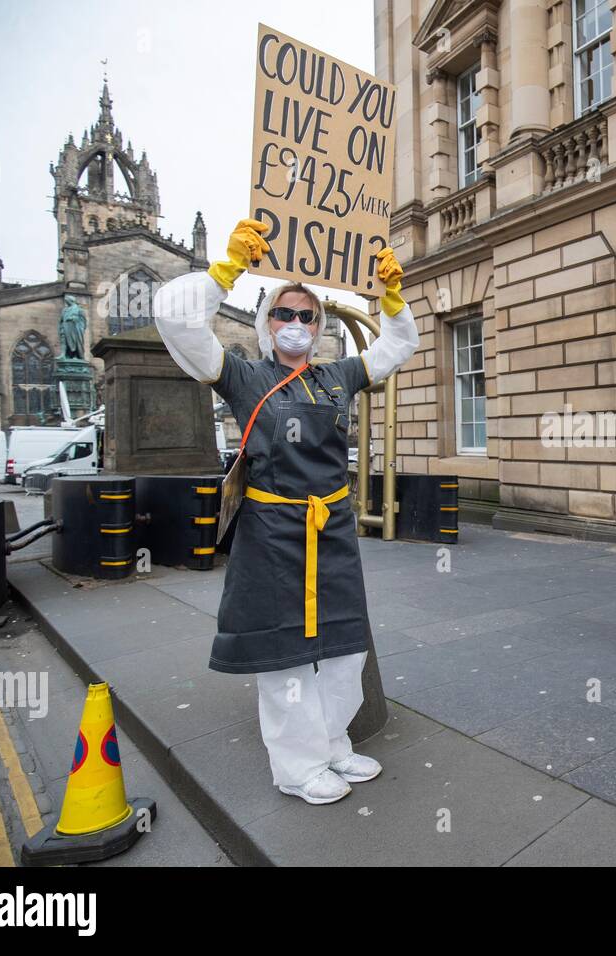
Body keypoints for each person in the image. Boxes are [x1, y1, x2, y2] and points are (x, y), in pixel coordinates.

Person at [153, 219, 419, 806]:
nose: (296, 325)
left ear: (319, 327)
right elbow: (177, 322)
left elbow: (399, 346)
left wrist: (392, 301)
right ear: (265, 322)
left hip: (334, 528)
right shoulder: (244, 376)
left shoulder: (337, 376)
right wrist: (224, 271)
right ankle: (297, 767)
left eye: (307, 316)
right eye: (284, 314)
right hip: (272, 533)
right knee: (285, 653)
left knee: (346, 644)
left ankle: (332, 744)